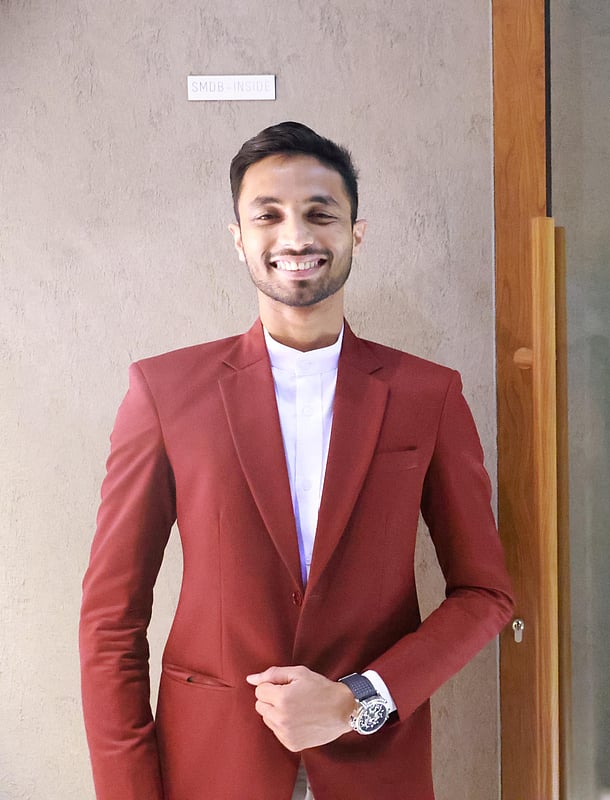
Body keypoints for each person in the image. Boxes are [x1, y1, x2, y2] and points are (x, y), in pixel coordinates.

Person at [79, 121, 514, 800]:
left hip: (376, 764)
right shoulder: (165, 392)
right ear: (239, 239)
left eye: (320, 214)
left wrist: (358, 699)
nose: (297, 236)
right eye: (269, 215)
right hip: (210, 767)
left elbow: (485, 596)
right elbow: (111, 618)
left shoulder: (428, 394)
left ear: (355, 234)